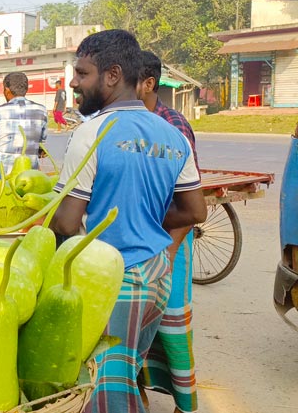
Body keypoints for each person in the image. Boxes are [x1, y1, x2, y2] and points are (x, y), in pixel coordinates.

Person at [48, 30, 206, 413]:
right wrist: (145, 217)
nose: (73, 83)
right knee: (128, 369)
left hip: (113, 279)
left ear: (113, 75)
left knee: (107, 393)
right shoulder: (172, 135)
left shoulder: (93, 132)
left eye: (83, 74)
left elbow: (66, 224)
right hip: (156, 275)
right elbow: (194, 211)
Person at [136, 51, 199, 413]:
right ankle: (138, 397)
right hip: (138, 239)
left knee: (173, 327)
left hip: (170, 237)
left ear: (147, 84)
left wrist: (171, 251)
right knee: (136, 329)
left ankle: (186, 406)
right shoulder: (126, 122)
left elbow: (190, 204)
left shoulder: (173, 126)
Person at [0, 72, 48, 172]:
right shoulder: (41, 110)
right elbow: (42, 143)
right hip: (31, 175)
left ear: (7, 90)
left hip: (5, 176)